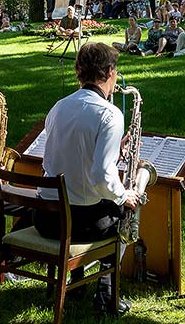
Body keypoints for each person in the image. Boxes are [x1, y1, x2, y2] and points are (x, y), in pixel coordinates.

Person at [36, 43, 140, 316]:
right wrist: (124, 195)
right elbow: (101, 177)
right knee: (125, 212)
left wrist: (113, 150)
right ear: (108, 72)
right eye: (115, 71)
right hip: (78, 223)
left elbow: (58, 161)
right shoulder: (109, 114)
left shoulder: (58, 107)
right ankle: (107, 292)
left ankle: (79, 283)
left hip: (46, 217)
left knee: (96, 199)